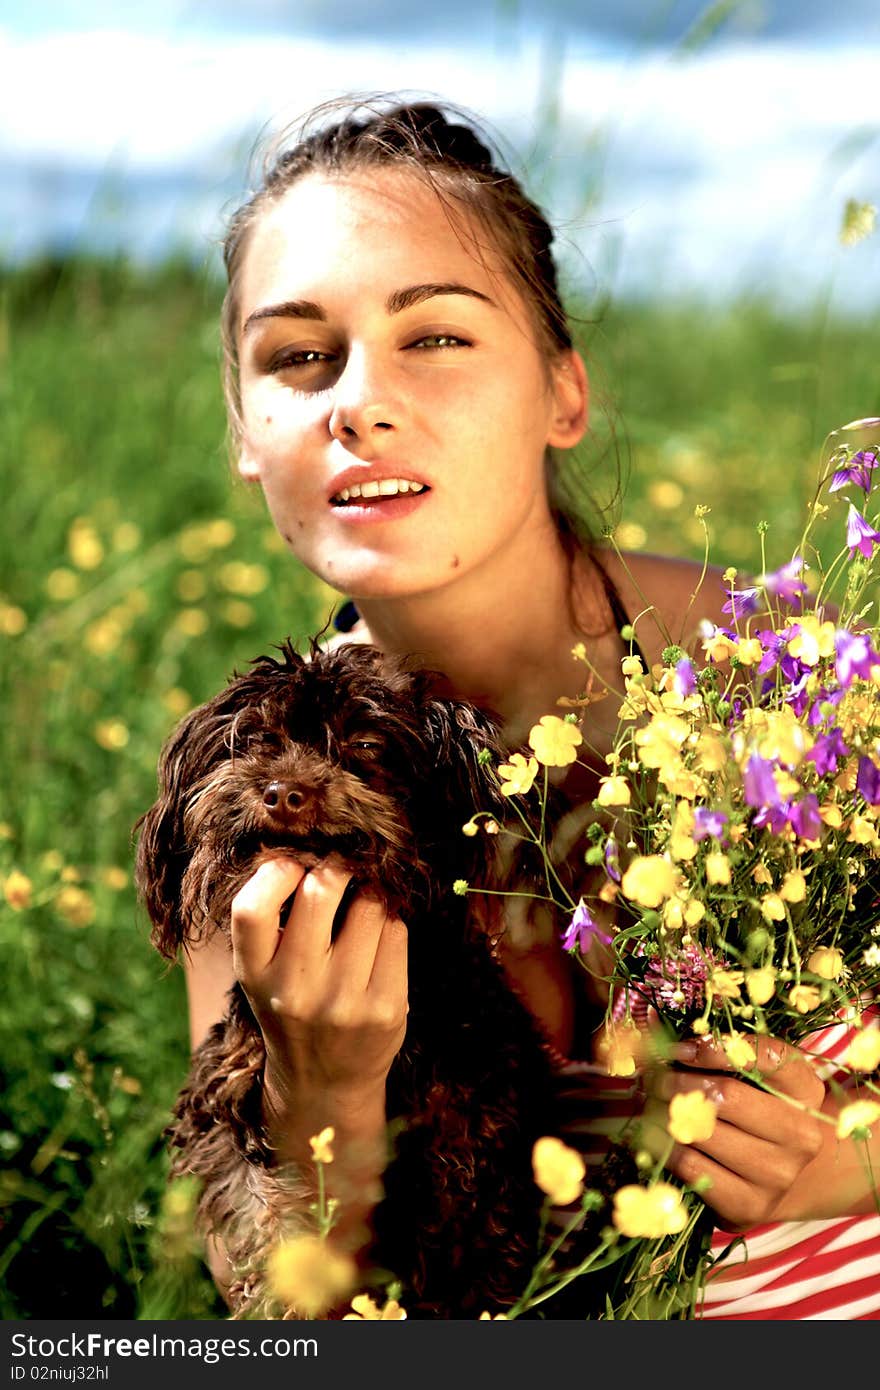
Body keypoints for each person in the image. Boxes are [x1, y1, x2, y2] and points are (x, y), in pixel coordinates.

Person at [180, 95, 880, 1319]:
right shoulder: (256, 786)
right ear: (248, 433)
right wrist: (327, 1099)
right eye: (298, 357)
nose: (358, 401)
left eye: (436, 339)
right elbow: (277, 1318)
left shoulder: (784, 671)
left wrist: (852, 1159)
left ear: (564, 394)